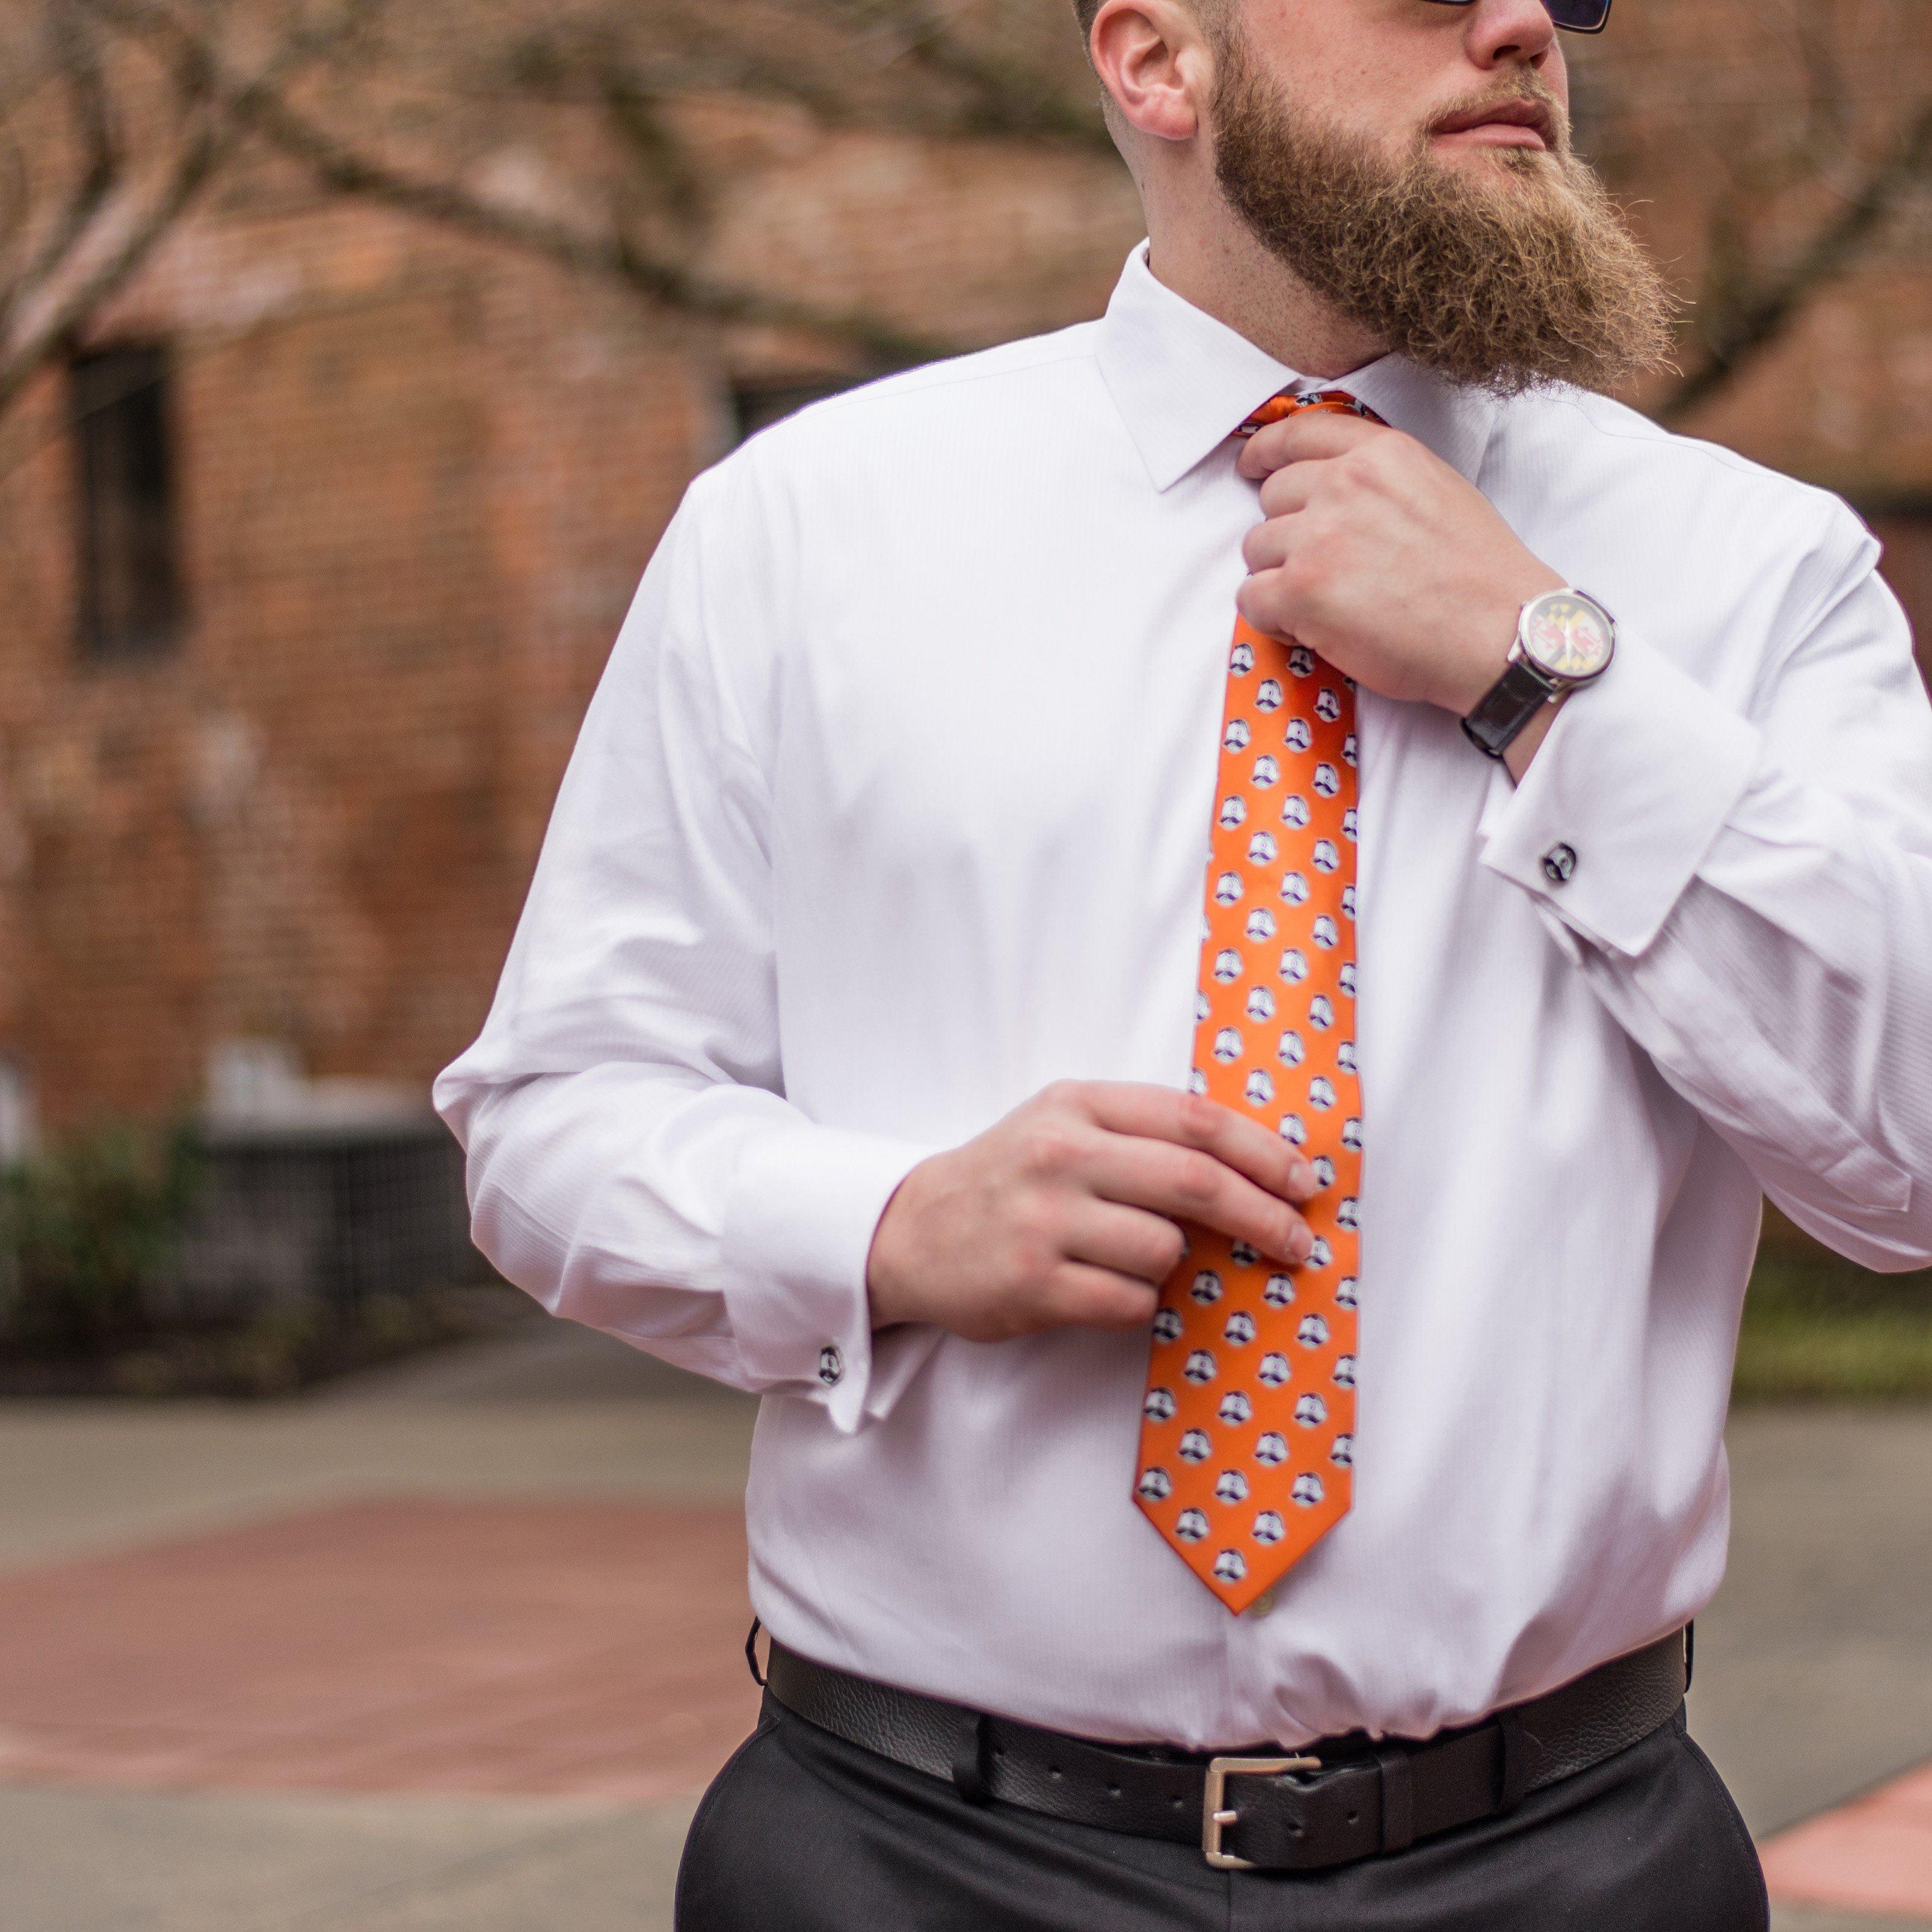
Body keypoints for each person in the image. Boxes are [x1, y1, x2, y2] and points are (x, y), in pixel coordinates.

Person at [434, 0, 1932, 1924]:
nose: (1522, 24)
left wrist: (1547, 674)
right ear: (1157, 58)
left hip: (1570, 1865)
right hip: (909, 1859)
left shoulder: (1749, 571)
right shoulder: (805, 530)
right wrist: (882, 1223)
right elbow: (549, 1120)